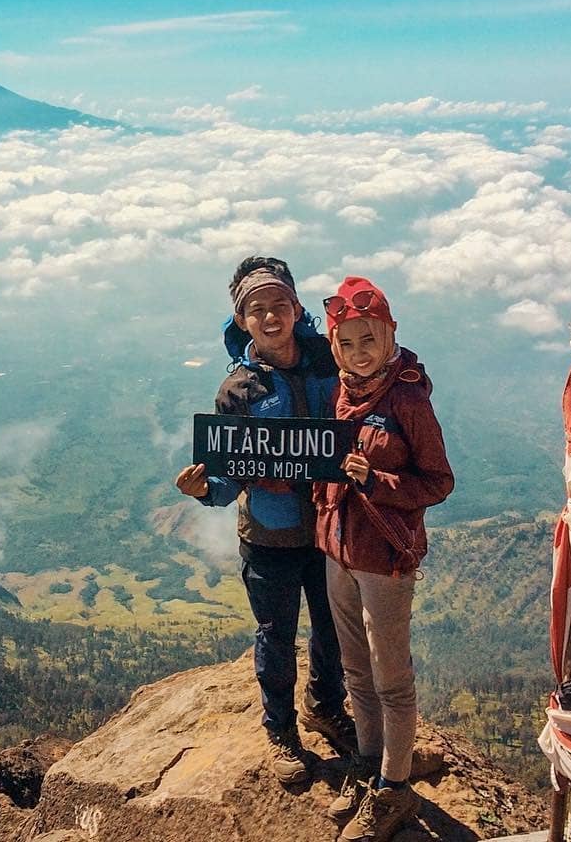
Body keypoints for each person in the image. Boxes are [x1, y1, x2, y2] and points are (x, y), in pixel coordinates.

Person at [174, 256, 356, 785]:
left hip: (329, 527)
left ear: (298, 309)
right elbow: (231, 474)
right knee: (276, 634)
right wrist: (205, 489)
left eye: (280, 305)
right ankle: (280, 730)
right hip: (270, 536)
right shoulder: (239, 391)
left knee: (332, 629)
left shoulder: (331, 359)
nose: (271, 317)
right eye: (258, 311)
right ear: (242, 323)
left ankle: (325, 706)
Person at [314, 276, 454, 842]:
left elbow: (439, 482)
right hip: (337, 549)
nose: (357, 351)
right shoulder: (341, 391)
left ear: (389, 334)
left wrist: (378, 479)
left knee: (391, 677)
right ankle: (372, 764)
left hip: (385, 557)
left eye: (367, 338)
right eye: (345, 342)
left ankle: (393, 788)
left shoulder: (407, 397)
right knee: (355, 671)